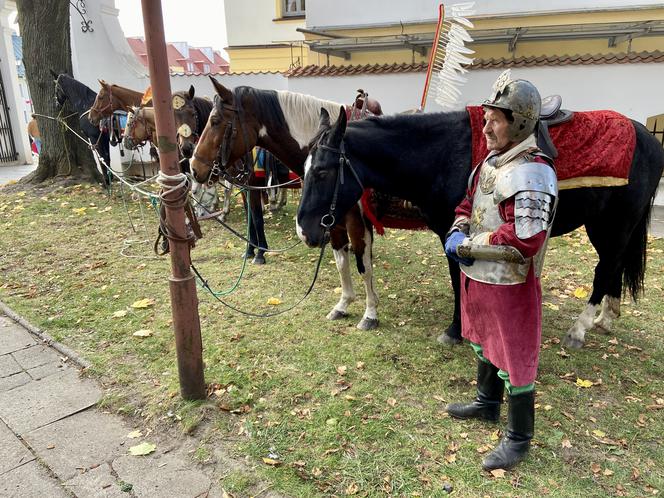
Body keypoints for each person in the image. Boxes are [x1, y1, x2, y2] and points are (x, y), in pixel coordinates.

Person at [443, 70, 558, 471]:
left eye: (496, 119)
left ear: (521, 122)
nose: (487, 125)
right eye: (487, 116)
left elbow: (525, 240)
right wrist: (458, 231)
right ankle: (487, 403)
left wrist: (471, 245)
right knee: (484, 338)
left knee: (515, 356)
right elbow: (468, 206)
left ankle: (519, 438)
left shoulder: (532, 171)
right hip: (478, 275)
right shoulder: (489, 164)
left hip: (511, 283)